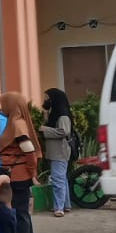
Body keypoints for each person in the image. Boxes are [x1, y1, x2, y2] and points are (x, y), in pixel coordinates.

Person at [0, 92, 41, 233]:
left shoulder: (16, 125)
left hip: (18, 175)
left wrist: (31, 170)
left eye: (4, 103)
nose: (2, 107)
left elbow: (29, 150)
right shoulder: (17, 122)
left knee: (18, 214)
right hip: (20, 173)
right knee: (23, 214)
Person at [41, 89, 75, 218]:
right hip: (56, 151)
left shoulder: (63, 115)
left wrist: (45, 129)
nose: (45, 101)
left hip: (60, 151)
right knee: (62, 178)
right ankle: (65, 204)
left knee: (58, 179)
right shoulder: (55, 114)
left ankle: (59, 207)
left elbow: (64, 131)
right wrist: (45, 115)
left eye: (47, 98)